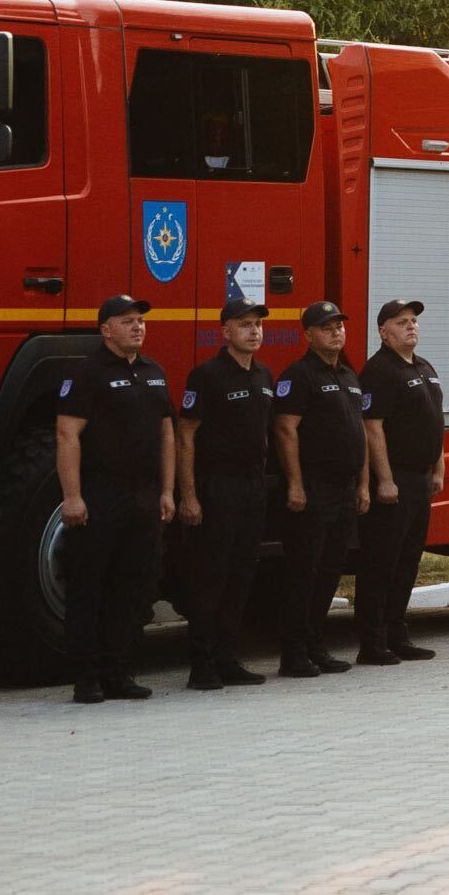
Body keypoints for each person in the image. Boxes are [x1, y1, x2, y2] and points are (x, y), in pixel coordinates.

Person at [54, 291, 174, 703]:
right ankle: (87, 677)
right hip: (101, 494)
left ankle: (119, 672)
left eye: (140, 319)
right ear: (105, 330)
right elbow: (67, 434)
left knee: (135, 587)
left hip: (144, 496)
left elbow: (167, 434)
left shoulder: (154, 372)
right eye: (127, 321)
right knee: (91, 585)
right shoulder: (88, 373)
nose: (137, 326)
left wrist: (168, 491)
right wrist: (72, 497)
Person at [172, 296, 275, 691]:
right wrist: (190, 496)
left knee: (242, 575)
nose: (254, 331)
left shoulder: (264, 376)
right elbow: (186, 434)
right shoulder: (207, 375)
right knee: (210, 578)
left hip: (253, 486)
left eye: (258, 325)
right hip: (218, 486)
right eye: (245, 325)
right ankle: (201, 665)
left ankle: (228, 658)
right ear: (225, 332)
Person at [273, 300, 371, 676]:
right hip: (313, 488)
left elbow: (358, 431)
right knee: (305, 571)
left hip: (345, 489)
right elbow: (285, 429)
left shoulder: (348, 375)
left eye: (340, 326)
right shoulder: (298, 376)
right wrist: (296, 484)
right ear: (309, 335)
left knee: (331, 570)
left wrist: (363, 484)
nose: (337, 332)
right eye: (328, 327)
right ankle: (293, 652)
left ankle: (316, 644)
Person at [356, 298, 445, 663]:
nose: (411, 326)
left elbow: (435, 421)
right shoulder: (380, 370)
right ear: (383, 332)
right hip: (396, 482)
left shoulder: (424, 367)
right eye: (401, 322)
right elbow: (372, 428)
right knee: (382, 562)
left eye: (413, 321)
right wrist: (385, 480)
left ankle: (398, 634)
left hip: (421, 480)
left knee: (408, 560)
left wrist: (438, 468)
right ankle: (372, 643)